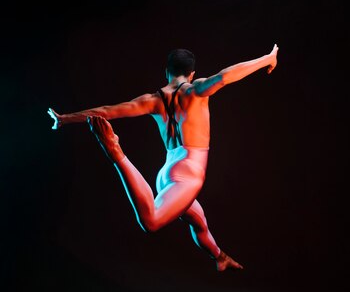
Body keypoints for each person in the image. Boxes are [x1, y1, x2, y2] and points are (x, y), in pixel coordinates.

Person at [46, 44, 279, 271]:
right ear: (192, 73)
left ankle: (220, 257)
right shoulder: (195, 90)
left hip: (166, 173)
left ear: (166, 72)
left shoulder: (153, 100)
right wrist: (267, 59)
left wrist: (65, 118)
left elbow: (108, 111)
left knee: (199, 224)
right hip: (188, 175)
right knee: (151, 221)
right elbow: (226, 76)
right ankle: (116, 152)